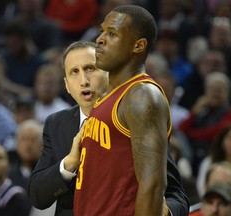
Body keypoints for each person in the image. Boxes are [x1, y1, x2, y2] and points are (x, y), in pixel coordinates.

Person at [28, 41, 189, 215]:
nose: (83, 81)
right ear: (66, 85)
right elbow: (38, 196)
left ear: (108, 74)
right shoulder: (56, 124)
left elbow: (177, 196)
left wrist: (164, 211)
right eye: (74, 72)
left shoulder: (134, 117)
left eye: (90, 68)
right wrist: (68, 165)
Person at [72, 5, 182, 215]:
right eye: (102, 30)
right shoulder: (107, 96)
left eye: (112, 33)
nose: (100, 39)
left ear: (138, 45)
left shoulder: (141, 96)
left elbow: (152, 187)